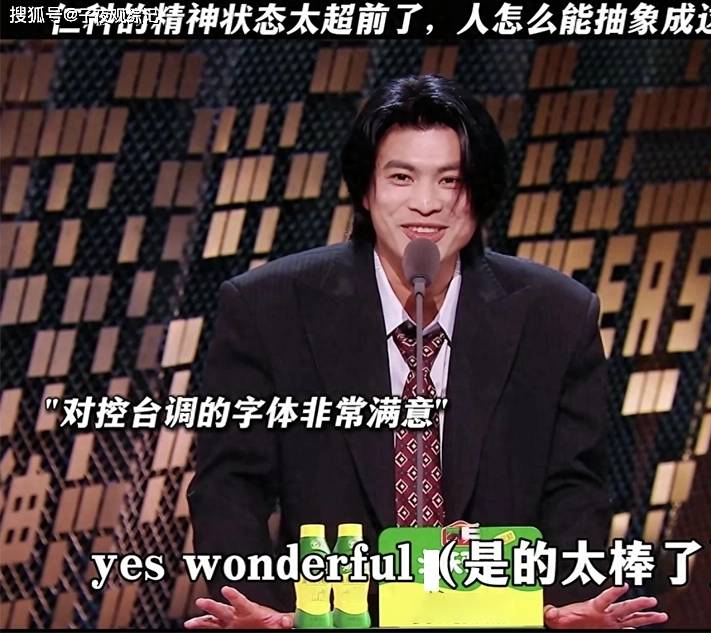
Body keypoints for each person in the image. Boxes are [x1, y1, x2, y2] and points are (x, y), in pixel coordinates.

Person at [185, 74, 668, 629]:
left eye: (451, 180)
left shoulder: (558, 316)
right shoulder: (268, 309)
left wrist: (563, 609)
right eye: (401, 177)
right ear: (365, 190)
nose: (426, 204)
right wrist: (265, 610)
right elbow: (230, 485)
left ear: (480, 193)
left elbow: (574, 489)